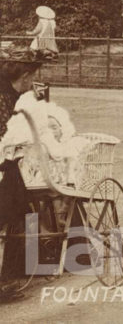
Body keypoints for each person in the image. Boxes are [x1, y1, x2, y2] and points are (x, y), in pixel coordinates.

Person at [0, 47, 50, 299]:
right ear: (23, 77)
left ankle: (19, 266)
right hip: (4, 165)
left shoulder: (11, 94)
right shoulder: (4, 97)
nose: (32, 83)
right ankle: (9, 275)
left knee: (22, 202)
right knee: (16, 203)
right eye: (30, 78)